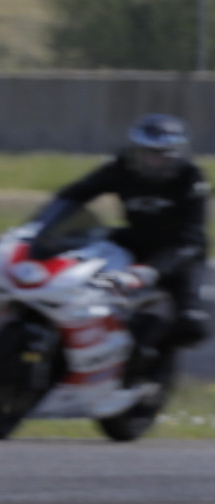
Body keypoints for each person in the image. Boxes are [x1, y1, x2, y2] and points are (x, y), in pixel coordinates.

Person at [33, 112, 210, 349]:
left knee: (193, 326)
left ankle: (154, 361)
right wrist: (38, 227)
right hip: (135, 242)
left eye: (162, 155)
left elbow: (191, 240)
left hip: (177, 256)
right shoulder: (121, 168)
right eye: (148, 152)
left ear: (178, 155)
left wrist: (150, 271)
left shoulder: (192, 179)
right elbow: (74, 194)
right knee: (83, 279)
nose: (154, 160)